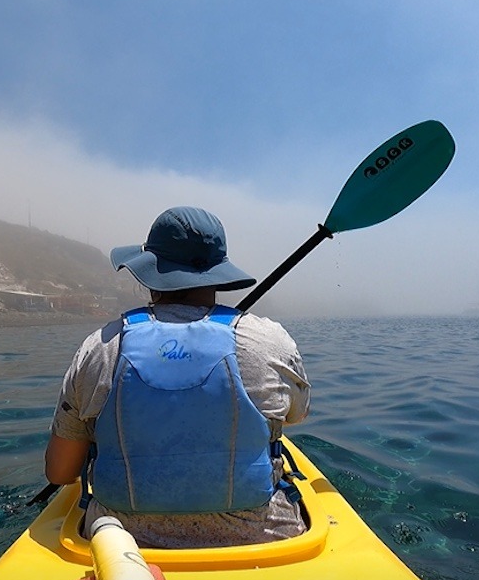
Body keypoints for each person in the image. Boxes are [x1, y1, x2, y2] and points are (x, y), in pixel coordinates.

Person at [45, 206, 311, 549]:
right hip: (265, 540)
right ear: (217, 272)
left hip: (122, 547)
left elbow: (61, 473)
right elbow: (296, 415)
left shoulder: (100, 347)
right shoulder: (269, 341)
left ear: (152, 271)